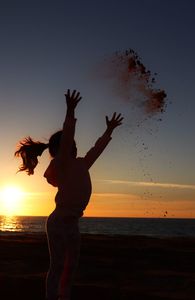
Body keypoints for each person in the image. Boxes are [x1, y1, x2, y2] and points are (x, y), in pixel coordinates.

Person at [15, 89, 123, 300]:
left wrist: (108, 131)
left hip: (72, 222)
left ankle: (65, 296)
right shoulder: (62, 164)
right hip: (58, 222)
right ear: (61, 151)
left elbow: (96, 150)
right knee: (56, 266)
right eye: (70, 145)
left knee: (70, 266)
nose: (74, 146)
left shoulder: (82, 163)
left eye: (74, 145)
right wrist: (70, 111)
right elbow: (66, 139)